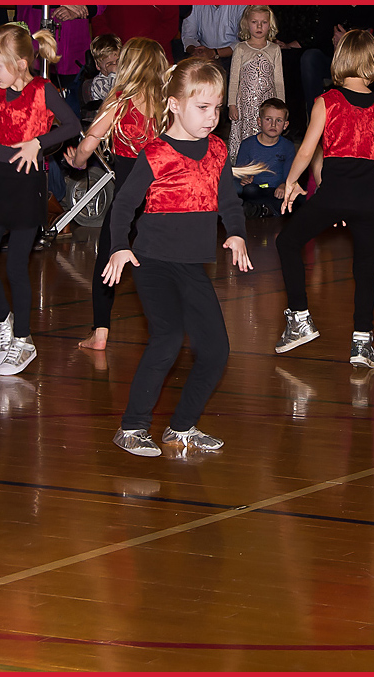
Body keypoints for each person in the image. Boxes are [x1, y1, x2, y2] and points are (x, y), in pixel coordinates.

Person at [101, 57, 255, 457]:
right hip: (152, 262)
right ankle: (132, 427)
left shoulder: (218, 149)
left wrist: (236, 233)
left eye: (217, 108)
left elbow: (228, 201)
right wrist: (120, 245)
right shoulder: (156, 153)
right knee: (167, 338)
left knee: (217, 350)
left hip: (192, 266)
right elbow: (123, 206)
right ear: (173, 104)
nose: (212, 117)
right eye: (202, 108)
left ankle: (181, 428)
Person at [0, 23, 81, 375]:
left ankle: (25, 342)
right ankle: (5, 322)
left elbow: (72, 125)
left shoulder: (43, 90)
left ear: (21, 63)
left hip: (27, 186)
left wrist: (38, 143)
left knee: (16, 267)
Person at [275, 29, 374, 368]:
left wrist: (292, 182)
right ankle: (362, 344)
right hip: (368, 198)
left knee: (287, 243)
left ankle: (299, 318)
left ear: (341, 60)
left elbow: (307, 150)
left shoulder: (328, 101)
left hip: (335, 193)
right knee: (365, 270)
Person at [64, 37, 169, 352]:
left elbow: (90, 140)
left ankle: (100, 333)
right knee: (162, 264)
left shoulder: (120, 99)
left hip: (127, 201)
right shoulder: (168, 102)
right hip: (161, 200)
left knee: (107, 262)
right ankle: (168, 330)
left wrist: (78, 161)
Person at [227, 5, 284, 163]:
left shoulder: (274, 49)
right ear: (246, 24)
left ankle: (265, 162)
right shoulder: (240, 49)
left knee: (266, 131)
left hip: (267, 104)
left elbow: (279, 80)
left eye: (264, 22)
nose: (259, 26)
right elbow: (234, 79)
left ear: (270, 25)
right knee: (246, 134)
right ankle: (244, 164)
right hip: (245, 105)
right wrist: (232, 104)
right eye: (254, 22)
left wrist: (281, 106)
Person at [234, 97, 296, 219]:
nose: (273, 124)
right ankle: (264, 209)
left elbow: (291, 172)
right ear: (259, 122)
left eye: (279, 121)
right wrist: (245, 178)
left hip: (276, 190)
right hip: (254, 188)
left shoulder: (287, 146)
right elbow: (240, 170)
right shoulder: (248, 144)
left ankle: (262, 210)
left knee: (293, 198)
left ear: (285, 125)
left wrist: (284, 184)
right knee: (247, 190)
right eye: (268, 119)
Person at [85, 34, 121, 104]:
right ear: (98, 65)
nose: (115, 66)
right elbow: (114, 99)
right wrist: (113, 73)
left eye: (118, 61)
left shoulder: (124, 76)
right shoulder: (99, 83)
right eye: (110, 64)